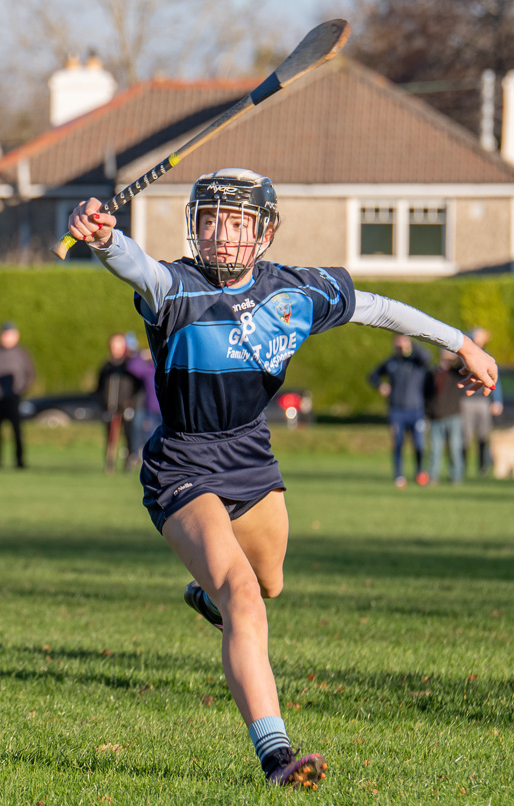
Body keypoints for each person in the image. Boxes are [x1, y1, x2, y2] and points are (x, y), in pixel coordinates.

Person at [66, 168, 498, 788]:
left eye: (239, 221)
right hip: (184, 463)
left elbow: (377, 307)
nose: (224, 234)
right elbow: (133, 263)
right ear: (197, 225)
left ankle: (206, 593)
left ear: (264, 231)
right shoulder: (175, 288)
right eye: (213, 219)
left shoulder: (296, 292)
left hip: (252, 457)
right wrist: (105, 237)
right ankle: (276, 756)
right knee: (242, 595)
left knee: (269, 585)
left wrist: (459, 342)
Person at [369, 334, 432, 487]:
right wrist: (380, 386)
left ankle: (419, 472)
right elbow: (372, 376)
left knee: (418, 444)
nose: (401, 347)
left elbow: (427, 357)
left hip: (416, 410)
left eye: (404, 343)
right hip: (397, 411)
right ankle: (399, 475)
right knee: (398, 444)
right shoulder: (391, 363)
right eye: (398, 344)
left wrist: (411, 345)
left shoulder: (417, 362)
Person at [0, 322, 34, 469]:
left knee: (17, 431)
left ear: (16, 336)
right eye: (4, 334)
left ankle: (19, 460)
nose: (6, 338)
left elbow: (30, 374)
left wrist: (21, 390)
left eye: (10, 334)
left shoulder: (22, 354)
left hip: (14, 398)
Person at [96, 332, 143, 473]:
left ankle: (129, 461)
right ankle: (109, 463)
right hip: (110, 408)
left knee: (128, 436)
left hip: (126, 408)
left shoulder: (129, 366)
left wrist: (132, 403)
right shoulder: (106, 366)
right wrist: (102, 402)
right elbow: (99, 387)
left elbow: (138, 386)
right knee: (110, 437)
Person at [460, 327, 504, 475]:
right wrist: (472, 335)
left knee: (483, 435)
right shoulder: (465, 355)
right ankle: (463, 466)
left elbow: (495, 381)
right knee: (465, 435)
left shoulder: (487, 356)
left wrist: (497, 400)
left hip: (483, 401)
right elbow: (460, 338)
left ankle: (482, 467)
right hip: (467, 400)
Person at [425, 349, 467, 486]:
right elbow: (426, 394)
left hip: (453, 415)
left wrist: (454, 356)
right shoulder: (433, 373)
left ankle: (456, 477)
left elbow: (466, 363)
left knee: (455, 448)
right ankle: (433, 477)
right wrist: (428, 412)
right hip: (436, 416)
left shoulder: (456, 372)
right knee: (435, 449)